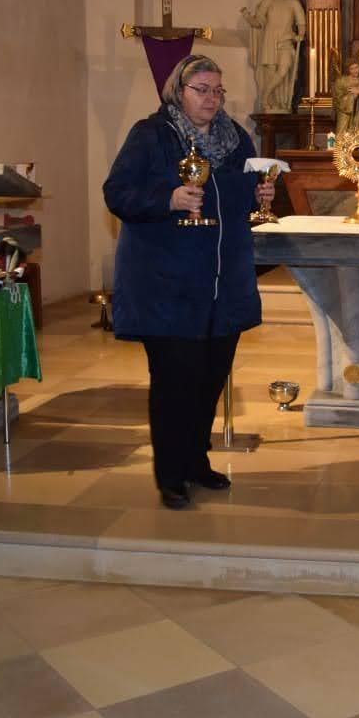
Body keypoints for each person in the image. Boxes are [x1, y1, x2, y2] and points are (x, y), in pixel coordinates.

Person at [103, 55, 276, 510]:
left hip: (222, 287)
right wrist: (169, 198)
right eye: (201, 89)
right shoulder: (151, 135)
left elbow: (240, 197)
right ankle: (170, 475)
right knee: (173, 384)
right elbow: (116, 193)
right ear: (178, 91)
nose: (211, 99)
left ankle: (196, 462)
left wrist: (259, 194)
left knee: (209, 382)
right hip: (167, 286)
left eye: (218, 90)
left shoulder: (235, 139)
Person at [241, 0, 307, 113]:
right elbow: (258, 22)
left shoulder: (293, 3)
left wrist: (300, 34)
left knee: (284, 70)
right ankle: (272, 102)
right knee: (270, 73)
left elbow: (301, 22)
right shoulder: (268, 1)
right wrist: (247, 17)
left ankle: (266, 96)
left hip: (286, 40)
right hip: (269, 41)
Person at [331, 58, 359, 135]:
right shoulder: (341, 81)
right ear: (348, 70)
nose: (355, 70)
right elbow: (337, 98)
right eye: (352, 68)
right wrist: (353, 96)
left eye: (356, 67)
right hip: (345, 116)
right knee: (343, 137)